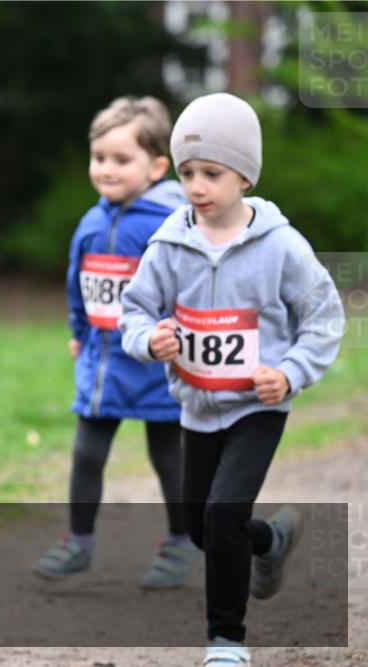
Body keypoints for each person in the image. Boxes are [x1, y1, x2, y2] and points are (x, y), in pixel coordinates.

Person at [119, 92, 344, 666]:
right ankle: (270, 542)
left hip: (257, 407)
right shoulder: (169, 243)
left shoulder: (281, 247)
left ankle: (226, 640)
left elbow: (323, 319)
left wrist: (290, 374)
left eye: (211, 173)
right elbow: (134, 311)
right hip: (196, 406)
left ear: (244, 175)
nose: (196, 186)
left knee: (222, 513)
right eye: (188, 172)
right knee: (201, 526)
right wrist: (150, 340)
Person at [32, 96, 199, 587]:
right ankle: (77, 541)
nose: (106, 168)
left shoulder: (170, 225)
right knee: (86, 453)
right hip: (102, 363)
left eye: (121, 160)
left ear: (157, 166)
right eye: (99, 157)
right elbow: (77, 285)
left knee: (169, 457)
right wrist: (79, 333)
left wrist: (175, 337)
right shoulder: (91, 222)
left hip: (155, 365)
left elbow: (188, 289)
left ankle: (180, 541)